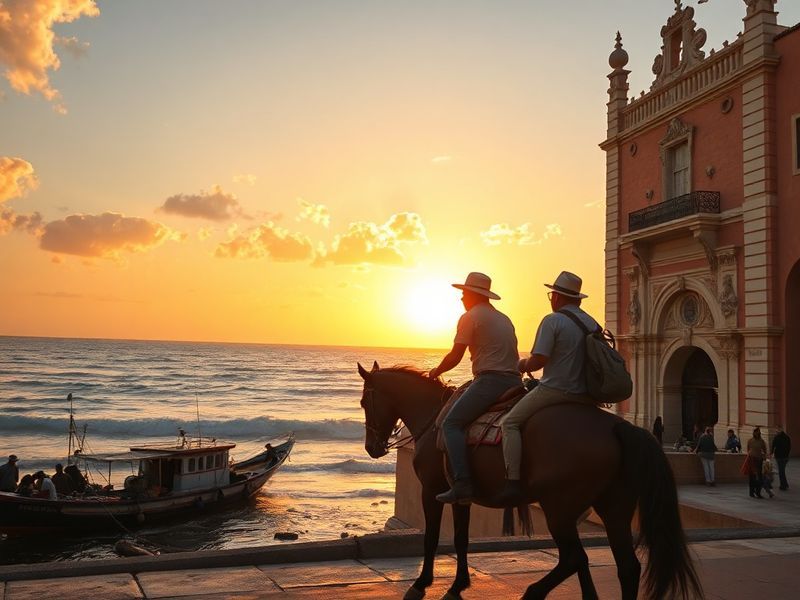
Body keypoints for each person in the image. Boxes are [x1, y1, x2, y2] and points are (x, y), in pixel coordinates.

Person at [494, 271, 601, 504]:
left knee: (510, 423)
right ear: (578, 299)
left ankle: (512, 481)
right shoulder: (591, 322)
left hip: (556, 390)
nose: (551, 299)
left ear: (557, 297)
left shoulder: (553, 321)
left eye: (552, 294)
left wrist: (522, 364)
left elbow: (539, 360)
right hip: (586, 395)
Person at [429, 272, 522, 504]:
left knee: (452, 423)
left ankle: (462, 484)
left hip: (491, 380)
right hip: (514, 380)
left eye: (463, 293)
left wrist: (435, 372)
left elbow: (455, 356)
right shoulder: (503, 318)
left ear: (472, 294)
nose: (461, 298)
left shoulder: (470, 316)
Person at [746, 427, 767, 499]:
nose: (757, 433)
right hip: (751, 460)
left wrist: (764, 457)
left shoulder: (762, 441)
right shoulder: (750, 441)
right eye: (755, 432)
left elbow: (764, 450)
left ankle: (758, 492)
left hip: (759, 460)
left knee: (759, 477)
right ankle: (751, 492)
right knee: (751, 477)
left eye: (758, 432)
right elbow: (748, 449)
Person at [771, 425, 791, 491]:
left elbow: (773, 446)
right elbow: (789, 447)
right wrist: (787, 454)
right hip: (785, 457)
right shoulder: (787, 437)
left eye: (777, 430)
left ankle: (783, 485)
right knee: (782, 470)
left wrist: (771, 453)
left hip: (779, 456)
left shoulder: (776, 437)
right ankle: (785, 484)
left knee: (781, 471)